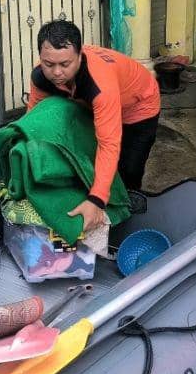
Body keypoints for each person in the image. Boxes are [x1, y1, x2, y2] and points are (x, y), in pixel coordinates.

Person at [27, 20, 160, 231]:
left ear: (80, 56)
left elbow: (108, 143)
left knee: (128, 171)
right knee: (85, 160)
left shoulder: (99, 85)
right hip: (90, 103)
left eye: (65, 64)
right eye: (49, 64)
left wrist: (96, 200)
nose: (57, 73)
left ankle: (124, 223)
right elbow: (34, 119)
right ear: (41, 58)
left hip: (139, 105)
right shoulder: (40, 76)